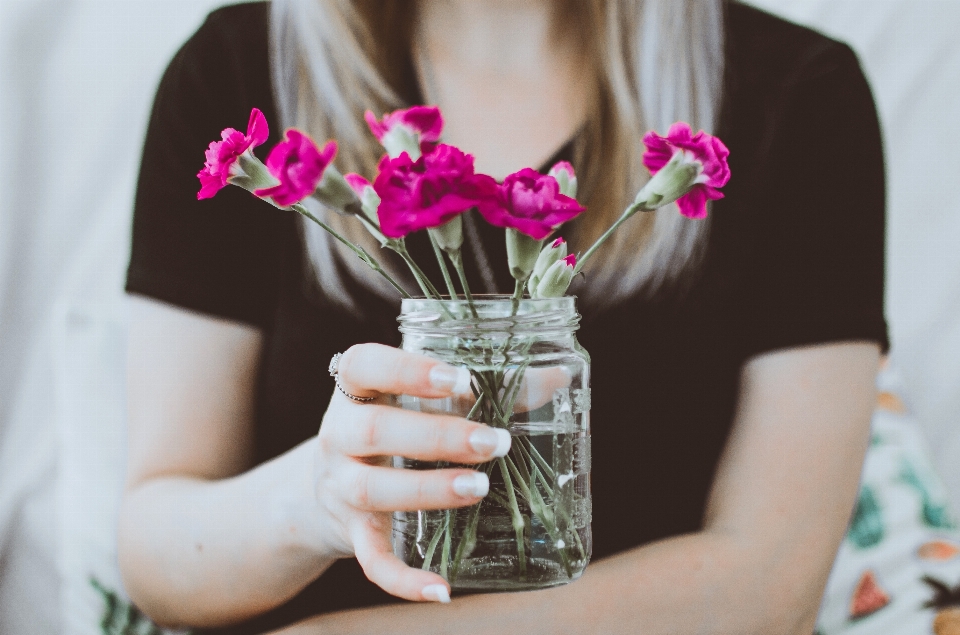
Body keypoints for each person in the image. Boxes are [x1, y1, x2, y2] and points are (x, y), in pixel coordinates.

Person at [119, 0, 888, 633]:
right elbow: (156, 557)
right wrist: (312, 500)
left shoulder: (799, 96)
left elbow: (770, 581)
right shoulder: (231, 68)